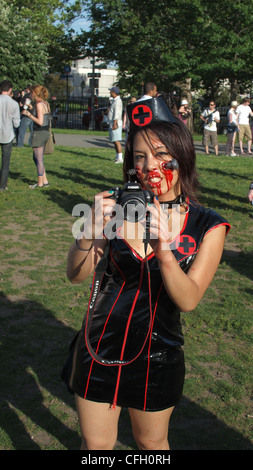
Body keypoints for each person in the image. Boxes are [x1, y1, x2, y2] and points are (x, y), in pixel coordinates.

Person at [61, 96, 231, 450]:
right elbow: (75, 275)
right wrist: (90, 232)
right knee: (95, 446)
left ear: (183, 156)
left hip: (159, 355)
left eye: (160, 153)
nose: (149, 164)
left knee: (152, 444)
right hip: (99, 347)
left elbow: (188, 299)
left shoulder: (208, 225)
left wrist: (165, 253)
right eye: (140, 156)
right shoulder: (116, 205)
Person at [22, 85, 50, 189]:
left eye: (32, 93)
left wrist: (29, 114)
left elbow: (40, 121)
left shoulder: (39, 105)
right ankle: (44, 180)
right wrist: (30, 108)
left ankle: (40, 183)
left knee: (38, 158)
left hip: (39, 132)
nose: (31, 95)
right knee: (37, 157)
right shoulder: (45, 103)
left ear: (35, 93)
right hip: (45, 132)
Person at [0, 79, 20, 191]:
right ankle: (2, 185)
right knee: (5, 162)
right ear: (10, 90)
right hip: (7, 134)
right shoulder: (14, 104)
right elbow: (16, 124)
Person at [108, 86, 123, 163]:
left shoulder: (117, 101)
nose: (110, 93)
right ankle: (117, 156)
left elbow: (117, 113)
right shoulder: (114, 101)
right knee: (114, 140)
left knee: (116, 140)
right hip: (112, 122)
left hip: (115, 123)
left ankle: (120, 158)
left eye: (111, 91)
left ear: (114, 92)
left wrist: (115, 123)